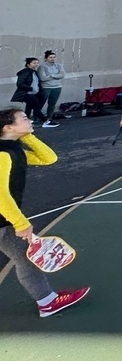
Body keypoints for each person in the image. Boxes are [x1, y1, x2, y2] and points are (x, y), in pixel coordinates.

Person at [0, 108, 90, 317]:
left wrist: (28, 135)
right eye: (24, 119)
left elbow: (48, 158)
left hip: (4, 221)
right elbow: (1, 195)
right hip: (6, 219)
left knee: (26, 258)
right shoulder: (2, 154)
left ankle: (47, 302)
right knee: (25, 258)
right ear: (8, 127)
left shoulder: (13, 149)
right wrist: (21, 223)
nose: (30, 120)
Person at [12, 59, 51, 128]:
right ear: (28, 64)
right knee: (37, 107)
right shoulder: (25, 72)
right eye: (34, 63)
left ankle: (25, 123)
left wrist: (38, 90)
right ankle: (45, 121)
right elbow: (19, 84)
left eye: (37, 63)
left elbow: (37, 83)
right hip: (27, 94)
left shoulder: (34, 72)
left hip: (33, 94)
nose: (36, 64)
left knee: (29, 108)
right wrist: (31, 88)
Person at [38, 51, 66, 121]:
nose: (52, 59)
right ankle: (37, 118)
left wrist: (51, 75)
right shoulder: (42, 66)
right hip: (46, 87)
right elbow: (43, 78)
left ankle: (49, 117)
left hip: (57, 86)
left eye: (54, 57)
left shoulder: (59, 66)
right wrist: (56, 76)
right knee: (41, 103)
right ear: (46, 58)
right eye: (50, 57)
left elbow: (62, 75)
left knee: (52, 103)